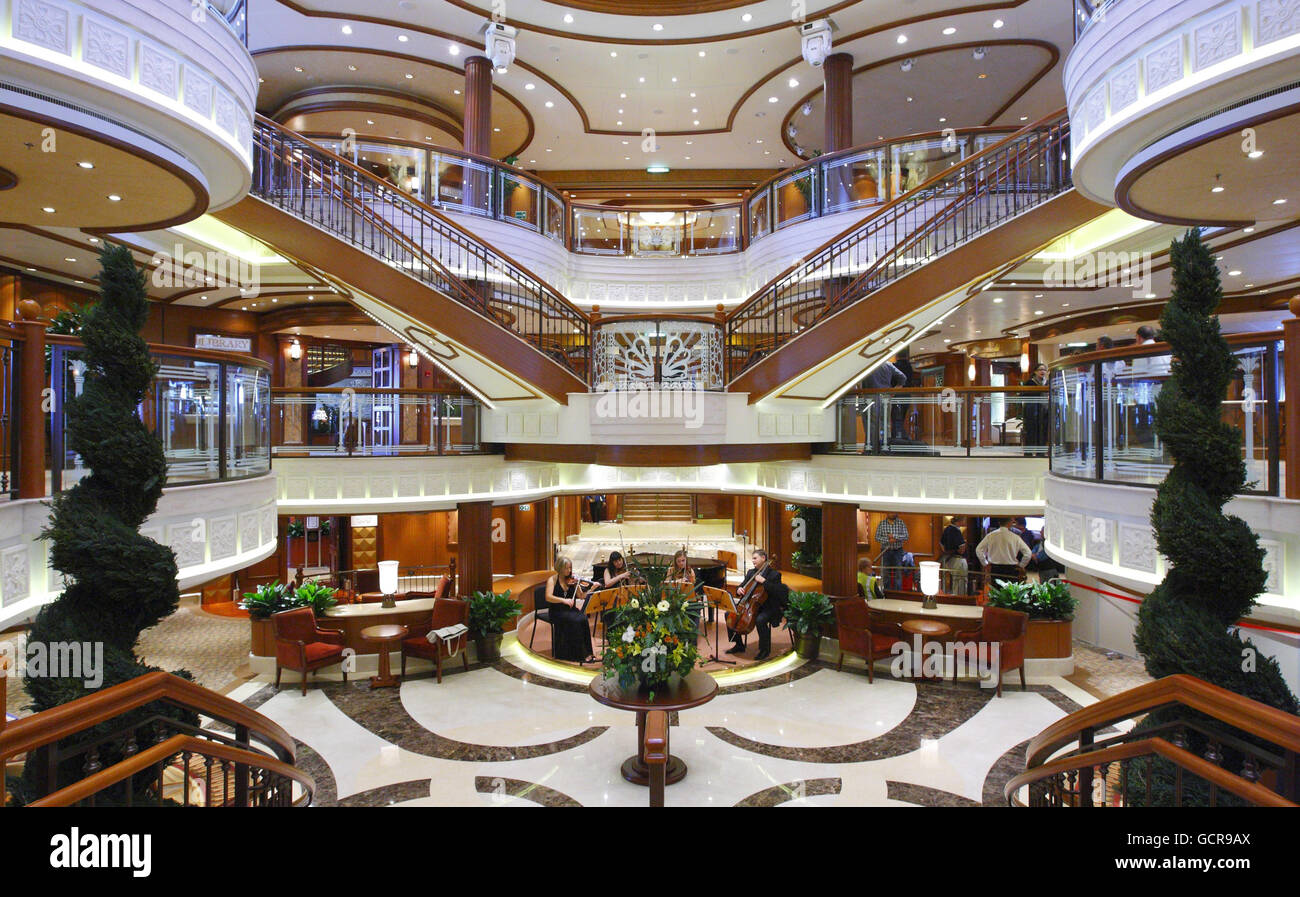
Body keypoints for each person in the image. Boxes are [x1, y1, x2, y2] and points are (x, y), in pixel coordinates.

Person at [726, 549, 786, 661]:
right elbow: (743, 585)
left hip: (768, 607)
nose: (753, 560)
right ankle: (739, 644)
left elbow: (778, 592)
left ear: (763, 558)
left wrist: (764, 581)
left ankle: (764, 649)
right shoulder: (751, 573)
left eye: (755, 558)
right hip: (750, 605)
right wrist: (739, 589)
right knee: (728, 614)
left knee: (760, 620)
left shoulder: (774, 575)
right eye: (752, 558)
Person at [544, 558, 596, 664]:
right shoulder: (552, 580)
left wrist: (591, 590)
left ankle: (588, 652)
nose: (569, 570)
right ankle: (579, 654)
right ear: (559, 568)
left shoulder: (573, 580)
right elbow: (548, 597)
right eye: (566, 568)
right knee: (575, 621)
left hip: (570, 610)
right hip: (557, 611)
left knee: (583, 618)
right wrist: (564, 600)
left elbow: (581, 596)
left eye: (570, 568)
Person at [859, 359, 906, 453]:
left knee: (871, 424)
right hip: (886, 397)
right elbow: (903, 377)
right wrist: (894, 390)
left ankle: (871, 448)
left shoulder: (867, 363)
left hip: (870, 397)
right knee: (886, 423)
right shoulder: (888, 364)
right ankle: (885, 448)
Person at [976, 517, 1032, 582]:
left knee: (996, 590)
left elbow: (978, 549)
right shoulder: (1015, 537)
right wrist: (1021, 565)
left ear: (999, 522)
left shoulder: (990, 535)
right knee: (1010, 591)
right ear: (1010, 523)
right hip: (1011, 569)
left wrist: (985, 563)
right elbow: (1028, 553)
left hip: (995, 569)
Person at [875, 512, 909, 590]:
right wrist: (888, 540)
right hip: (885, 551)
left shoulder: (901, 522)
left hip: (898, 551)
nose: (892, 514)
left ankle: (898, 593)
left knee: (898, 573)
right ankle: (887, 592)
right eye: (890, 512)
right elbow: (877, 537)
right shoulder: (882, 523)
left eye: (893, 512)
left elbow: (906, 536)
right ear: (887, 513)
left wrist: (894, 537)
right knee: (885, 572)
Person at [1022, 362, 1049, 456]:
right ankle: (1028, 452)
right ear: (1035, 372)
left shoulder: (1048, 382)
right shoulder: (1030, 382)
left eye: (1044, 370)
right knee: (1031, 431)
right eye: (1040, 370)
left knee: (1043, 431)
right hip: (1032, 411)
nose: (1042, 371)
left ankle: (1040, 452)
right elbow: (1024, 395)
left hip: (1045, 411)